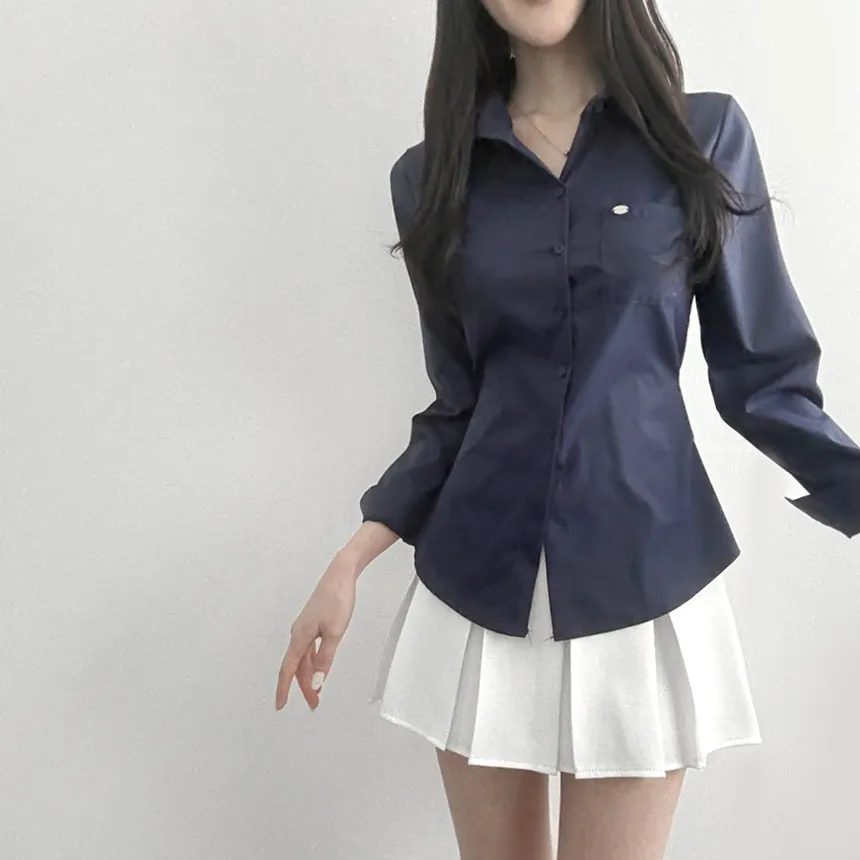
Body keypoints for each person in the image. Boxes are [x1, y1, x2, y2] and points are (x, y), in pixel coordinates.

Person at [276, 1, 860, 857]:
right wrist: (349, 561)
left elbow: (764, 378)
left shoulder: (700, 138)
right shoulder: (431, 176)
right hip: (478, 589)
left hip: (644, 580)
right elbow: (457, 406)